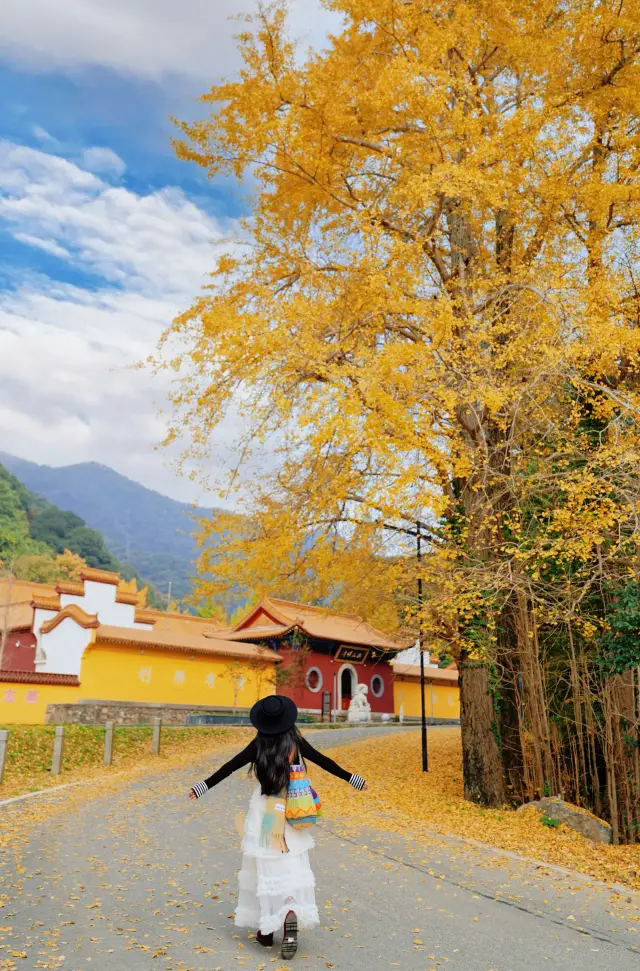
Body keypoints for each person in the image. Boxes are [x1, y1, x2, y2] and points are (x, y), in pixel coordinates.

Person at [189, 694, 368, 959]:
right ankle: (289, 914)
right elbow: (323, 761)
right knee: (291, 864)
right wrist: (352, 778)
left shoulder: (259, 745)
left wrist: (202, 786)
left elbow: (229, 767)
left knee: (266, 867)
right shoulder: (295, 742)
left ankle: (267, 927)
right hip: (294, 810)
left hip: (267, 813)